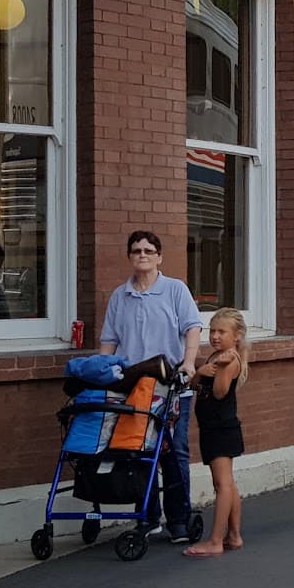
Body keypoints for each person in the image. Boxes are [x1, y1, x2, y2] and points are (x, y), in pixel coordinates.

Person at [98, 230, 204, 543]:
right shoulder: (121, 295)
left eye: (148, 250)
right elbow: (109, 341)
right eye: (135, 251)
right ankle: (148, 516)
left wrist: (189, 363)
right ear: (129, 257)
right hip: (133, 389)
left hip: (171, 387)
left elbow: (193, 327)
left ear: (159, 256)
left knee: (175, 453)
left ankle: (179, 520)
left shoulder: (174, 290)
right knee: (138, 452)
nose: (142, 255)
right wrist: (102, 371)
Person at [183, 308, 247, 558]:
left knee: (222, 485)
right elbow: (195, 386)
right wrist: (200, 372)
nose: (216, 336)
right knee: (227, 483)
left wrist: (219, 367)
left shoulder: (229, 360)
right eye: (213, 331)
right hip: (211, 428)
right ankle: (234, 535)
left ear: (237, 336)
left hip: (222, 429)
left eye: (222, 332)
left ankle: (215, 541)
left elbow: (220, 392)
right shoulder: (215, 356)